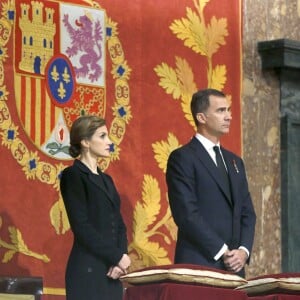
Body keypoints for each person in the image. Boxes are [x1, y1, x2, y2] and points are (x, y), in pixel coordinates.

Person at [166, 88, 256, 277]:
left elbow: (247, 212)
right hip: (200, 263)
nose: (229, 116)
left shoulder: (235, 161)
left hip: (235, 268)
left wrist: (243, 251)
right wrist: (222, 251)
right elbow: (186, 214)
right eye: (221, 111)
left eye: (229, 110)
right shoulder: (183, 158)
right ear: (201, 117)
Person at [60, 115, 131, 300]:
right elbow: (81, 227)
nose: (109, 141)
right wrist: (116, 256)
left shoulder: (107, 180)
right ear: (85, 142)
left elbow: (120, 225)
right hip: (87, 270)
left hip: (112, 271)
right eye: (102, 136)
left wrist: (120, 260)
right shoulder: (73, 175)